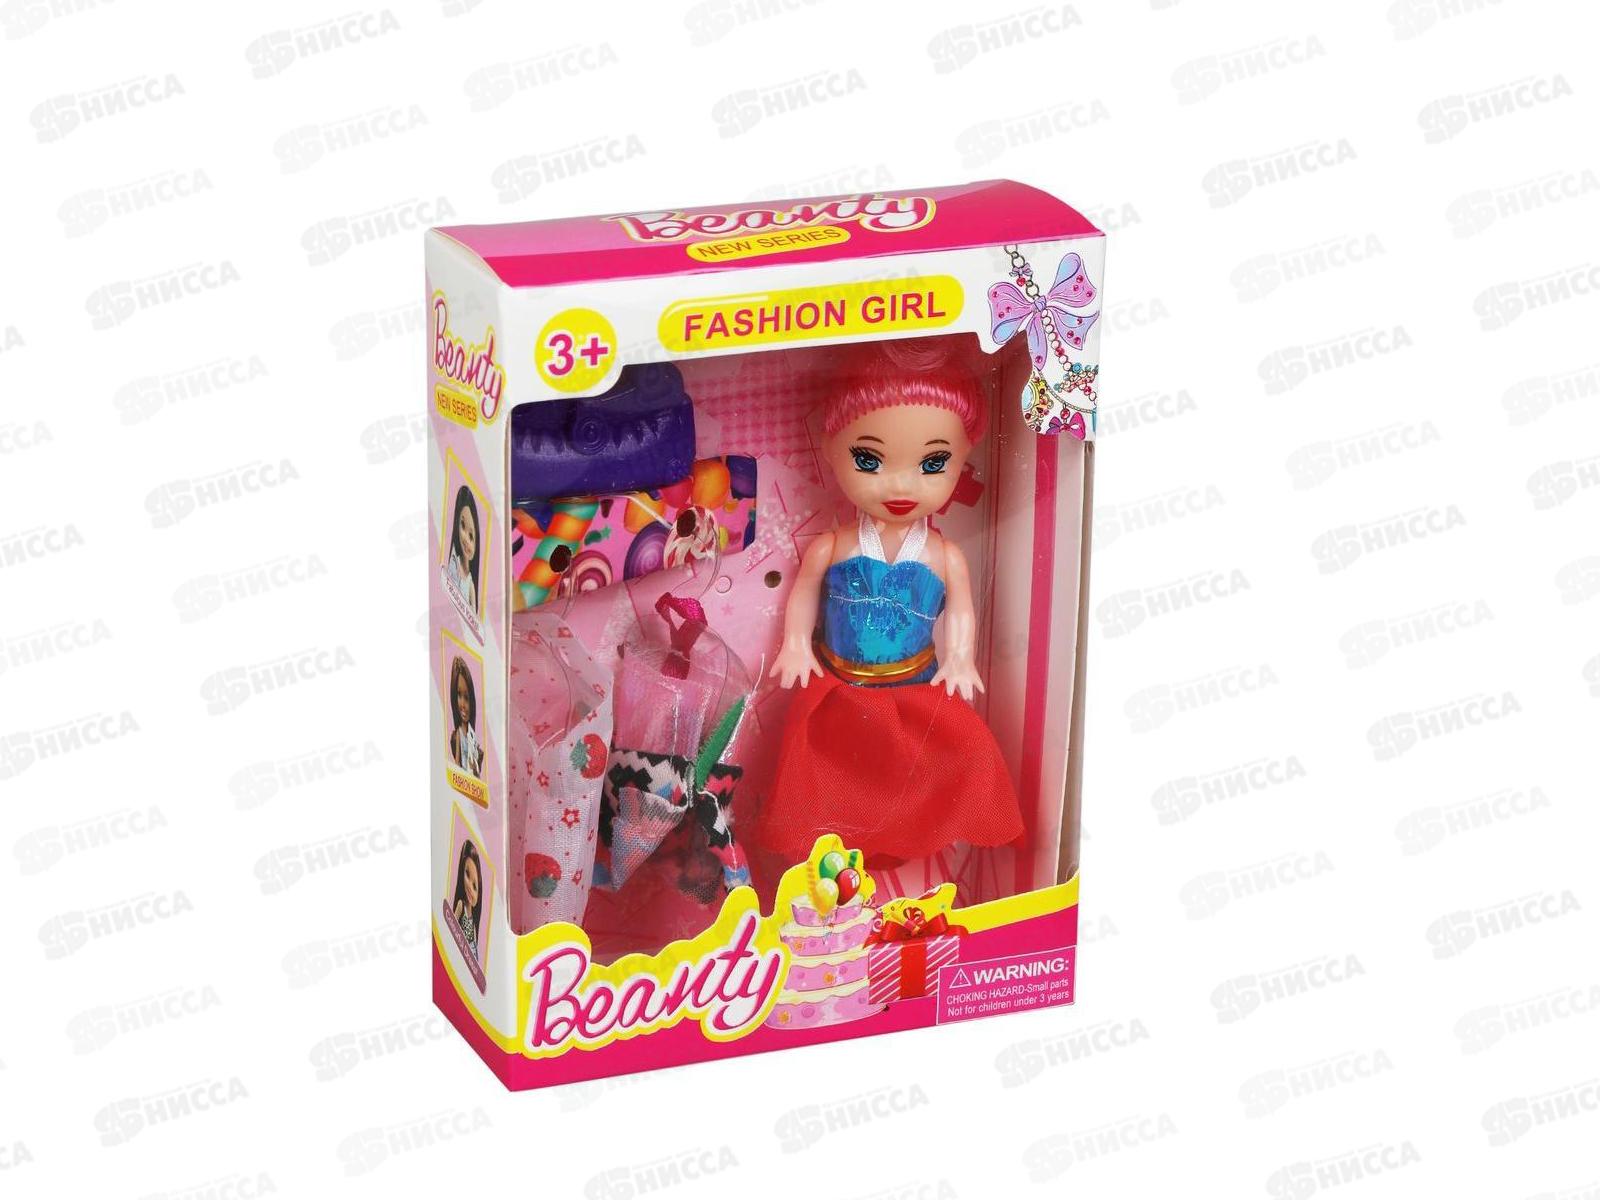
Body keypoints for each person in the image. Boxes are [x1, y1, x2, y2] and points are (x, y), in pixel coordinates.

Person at [758, 337, 1025, 866]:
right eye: (868, 459)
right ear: (831, 447)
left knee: (914, 775)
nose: (901, 484)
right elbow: (805, 590)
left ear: (964, 458)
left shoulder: (944, 555)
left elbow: (961, 610)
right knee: (834, 777)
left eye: (934, 463)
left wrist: (960, 657)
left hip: (915, 690)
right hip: (840, 691)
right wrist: (795, 644)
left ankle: (907, 843)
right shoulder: (834, 545)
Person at [448, 656, 484, 777]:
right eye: (459, 695)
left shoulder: (472, 735)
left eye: (467, 698)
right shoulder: (459, 733)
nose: (462, 704)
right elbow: (457, 762)